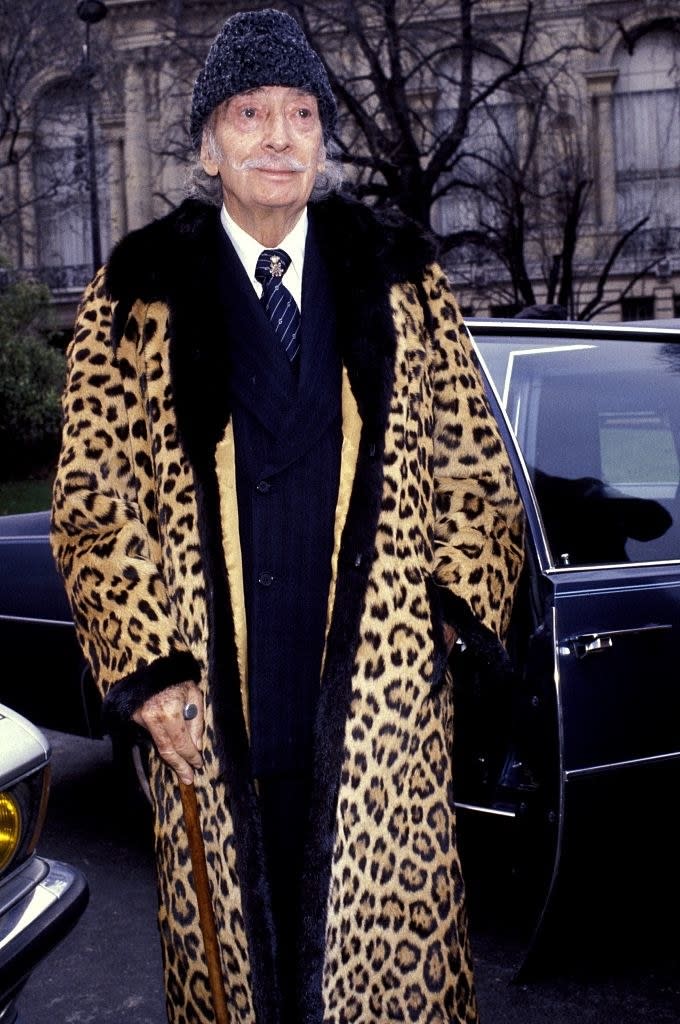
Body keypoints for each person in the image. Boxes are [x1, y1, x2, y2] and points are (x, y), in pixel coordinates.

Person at [50, 9, 524, 1023]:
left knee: (388, 990)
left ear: (323, 134)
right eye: (250, 112)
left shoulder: (400, 275)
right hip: (207, 732)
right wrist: (151, 677)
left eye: (301, 112)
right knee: (237, 991)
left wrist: (439, 624)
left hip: (376, 737)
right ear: (206, 143)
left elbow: (475, 476)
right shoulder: (135, 292)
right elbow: (93, 508)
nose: (278, 137)